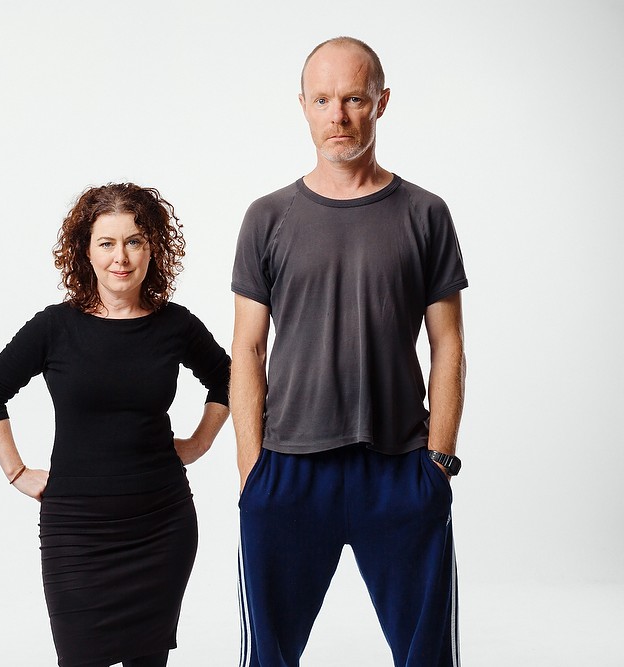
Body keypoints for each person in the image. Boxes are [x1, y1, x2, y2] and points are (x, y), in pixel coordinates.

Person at [231, 37, 468, 667]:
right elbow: (248, 349)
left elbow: (449, 345)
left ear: (381, 103)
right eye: (323, 99)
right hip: (287, 466)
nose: (338, 115)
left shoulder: (425, 213)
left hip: (399, 466)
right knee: (267, 658)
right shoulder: (267, 217)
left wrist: (439, 459)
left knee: (428, 657)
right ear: (303, 107)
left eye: (354, 99)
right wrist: (253, 472)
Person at [0, 183, 230, 667]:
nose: (121, 258)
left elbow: (229, 379)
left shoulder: (175, 325)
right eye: (107, 243)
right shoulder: (55, 327)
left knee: (148, 660)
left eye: (134, 241)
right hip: (76, 530)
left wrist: (199, 442)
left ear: (153, 248)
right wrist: (15, 471)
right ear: (84, 251)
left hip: (161, 524)